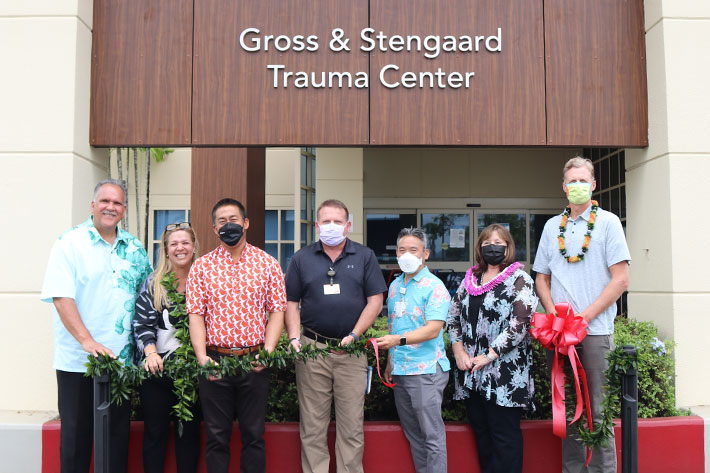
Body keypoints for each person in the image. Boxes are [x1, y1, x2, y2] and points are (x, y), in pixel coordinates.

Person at [40, 179, 152, 473]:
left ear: (124, 210)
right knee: (76, 440)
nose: (110, 207)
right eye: (105, 201)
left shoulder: (135, 248)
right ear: (93, 206)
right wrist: (87, 341)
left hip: (121, 361)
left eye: (116, 203)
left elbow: (151, 295)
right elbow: (61, 297)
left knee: (116, 440)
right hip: (78, 362)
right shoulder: (69, 243)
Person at [533, 156, 630, 473]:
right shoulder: (552, 227)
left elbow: (621, 279)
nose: (577, 186)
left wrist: (583, 318)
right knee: (567, 407)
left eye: (582, 180)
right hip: (560, 335)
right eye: (571, 181)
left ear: (593, 185)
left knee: (598, 411)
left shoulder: (608, 223)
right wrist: (553, 315)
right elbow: (541, 278)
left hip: (595, 332)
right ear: (564, 187)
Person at [284, 199, 386, 473]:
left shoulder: (364, 256)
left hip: (351, 352)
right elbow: (290, 302)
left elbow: (375, 301)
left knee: (351, 427)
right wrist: (294, 338)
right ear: (317, 225)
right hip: (311, 349)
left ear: (348, 225)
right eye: (326, 221)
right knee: (313, 426)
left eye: (337, 222)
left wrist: (355, 334)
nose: (331, 226)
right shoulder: (301, 258)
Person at [186, 198, 286, 473]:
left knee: (253, 435)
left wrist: (267, 350)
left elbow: (277, 311)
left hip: (254, 360)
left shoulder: (267, 263)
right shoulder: (202, 267)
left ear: (246, 223)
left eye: (233, 219)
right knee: (217, 437)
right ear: (214, 228)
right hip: (215, 361)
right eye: (221, 221)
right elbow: (196, 314)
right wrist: (202, 357)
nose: (228, 225)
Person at [447, 223, 538, 473]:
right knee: (482, 435)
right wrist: (459, 351)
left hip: (504, 374)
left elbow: (520, 323)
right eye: (487, 244)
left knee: (504, 438)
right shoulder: (470, 280)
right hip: (472, 372)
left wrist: (488, 356)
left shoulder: (520, 279)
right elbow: (452, 317)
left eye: (498, 243)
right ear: (479, 248)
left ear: (508, 247)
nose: (492, 248)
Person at [375, 227, 451, 473]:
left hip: (426, 370)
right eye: (402, 250)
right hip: (401, 370)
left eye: (413, 250)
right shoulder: (395, 286)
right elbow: (393, 324)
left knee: (432, 436)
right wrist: (389, 362)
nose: (406, 254)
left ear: (425, 254)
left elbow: (433, 330)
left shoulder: (435, 286)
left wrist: (397, 341)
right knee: (415, 436)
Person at [133, 222, 201, 473]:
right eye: (174, 244)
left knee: (189, 435)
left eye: (185, 243)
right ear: (165, 249)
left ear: (194, 247)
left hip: (192, 374)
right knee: (154, 434)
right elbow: (141, 323)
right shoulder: (154, 283)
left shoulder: (202, 280)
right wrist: (150, 352)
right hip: (156, 372)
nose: (180, 248)